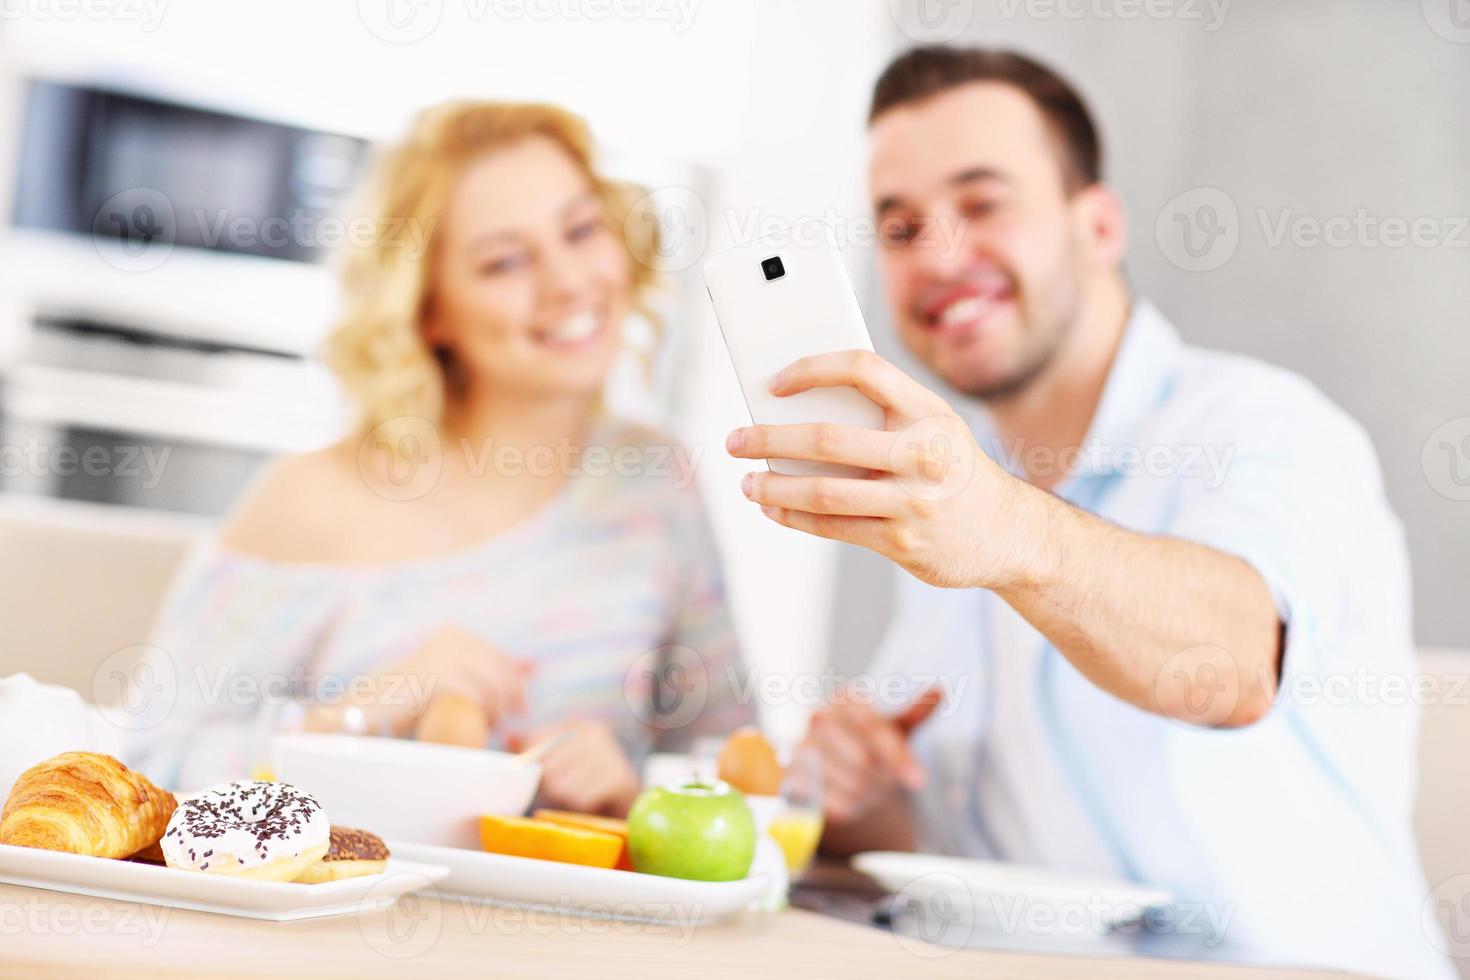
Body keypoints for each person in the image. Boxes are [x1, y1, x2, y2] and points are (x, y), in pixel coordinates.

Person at [726, 47, 1448, 979]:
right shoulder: (959, 488)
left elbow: (1232, 661)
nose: (939, 257)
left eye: (984, 204)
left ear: (1098, 225)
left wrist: (1007, 531)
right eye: (900, 227)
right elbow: (976, 841)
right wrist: (866, 797)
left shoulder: (1265, 429)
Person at [131, 100, 749, 816]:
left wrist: (635, 796)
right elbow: (142, 764)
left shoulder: (654, 482)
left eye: (582, 230)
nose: (569, 282)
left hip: (571, 923)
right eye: (505, 261)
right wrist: (365, 715)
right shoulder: (310, 499)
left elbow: (737, 773)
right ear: (430, 310)